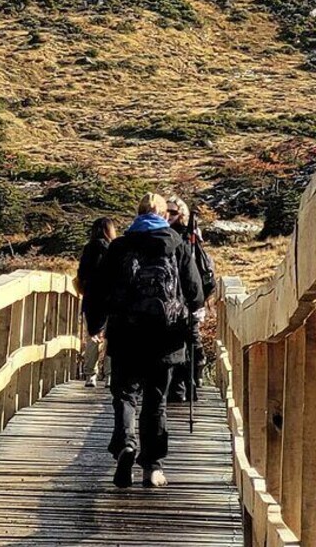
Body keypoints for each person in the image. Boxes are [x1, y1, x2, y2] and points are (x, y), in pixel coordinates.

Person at [86, 193, 204, 489]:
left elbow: (98, 289)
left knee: (125, 395)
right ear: (165, 216)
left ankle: (126, 445)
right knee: (156, 401)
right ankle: (152, 466)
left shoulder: (120, 246)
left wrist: (96, 325)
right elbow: (194, 291)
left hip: (126, 334)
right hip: (166, 337)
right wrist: (194, 320)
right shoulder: (176, 244)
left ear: (137, 215)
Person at [166, 196, 209, 402]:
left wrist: (197, 302)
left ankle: (192, 376)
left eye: (173, 212)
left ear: (181, 214)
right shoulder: (163, 235)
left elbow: (196, 271)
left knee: (190, 337)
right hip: (169, 297)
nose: (169, 216)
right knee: (176, 340)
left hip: (186, 296)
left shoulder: (188, 237)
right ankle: (178, 386)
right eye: (166, 211)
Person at [77, 217, 116, 389]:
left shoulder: (88, 249)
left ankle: (90, 376)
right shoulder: (114, 248)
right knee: (111, 338)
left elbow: (82, 274)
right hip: (112, 299)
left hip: (92, 299)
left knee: (92, 337)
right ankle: (109, 376)